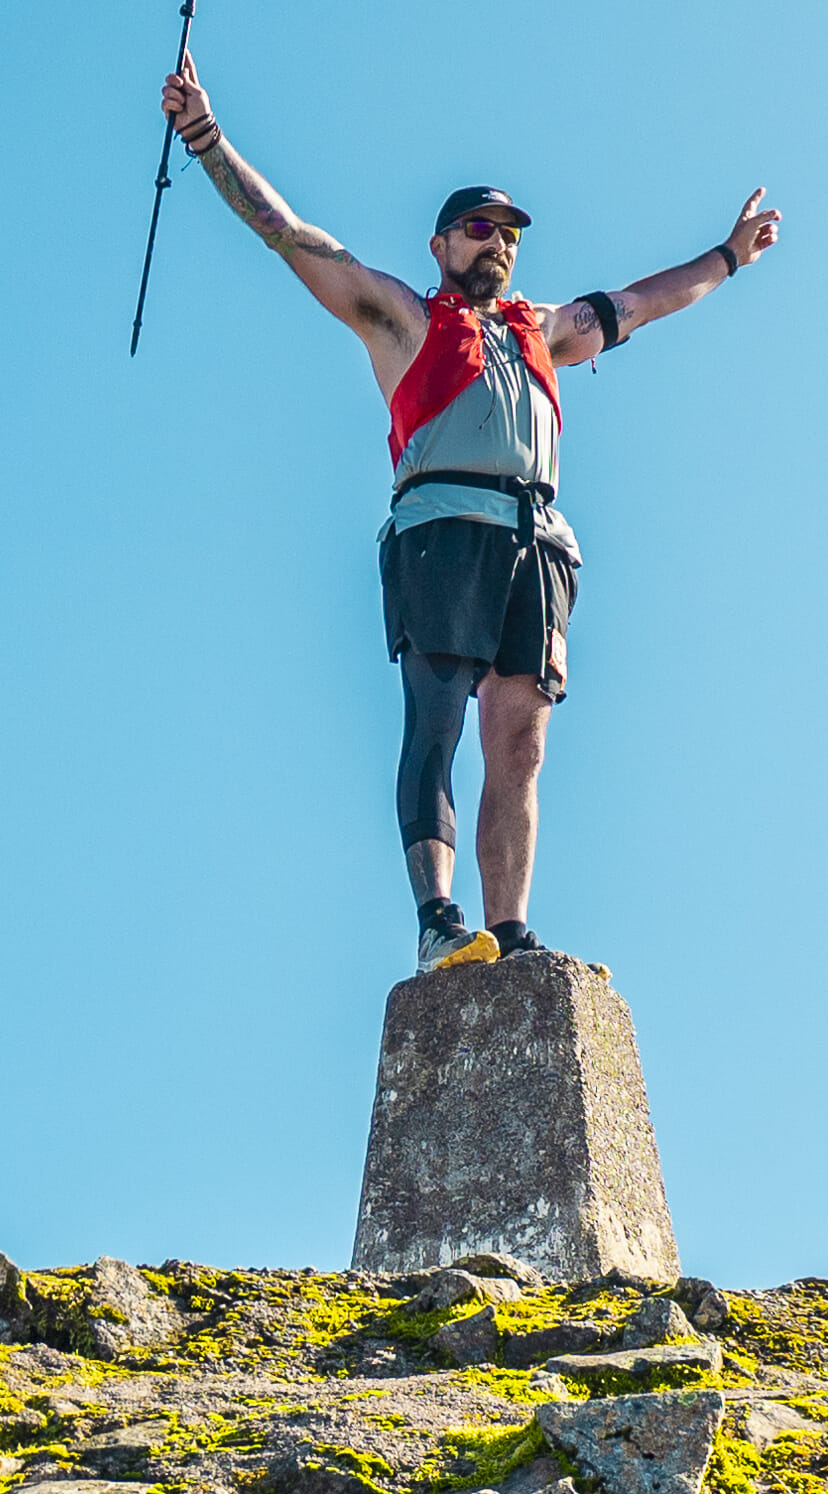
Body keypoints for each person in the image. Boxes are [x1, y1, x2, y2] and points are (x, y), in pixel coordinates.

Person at [161, 58, 778, 972]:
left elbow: (643, 303)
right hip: (442, 529)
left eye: (510, 234)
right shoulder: (403, 318)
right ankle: (438, 918)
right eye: (481, 229)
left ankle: (512, 927)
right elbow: (287, 235)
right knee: (438, 715)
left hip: (534, 545)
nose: (499, 243)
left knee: (520, 740)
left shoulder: (543, 328)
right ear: (443, 243)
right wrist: (205, 138)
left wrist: (728, 257)